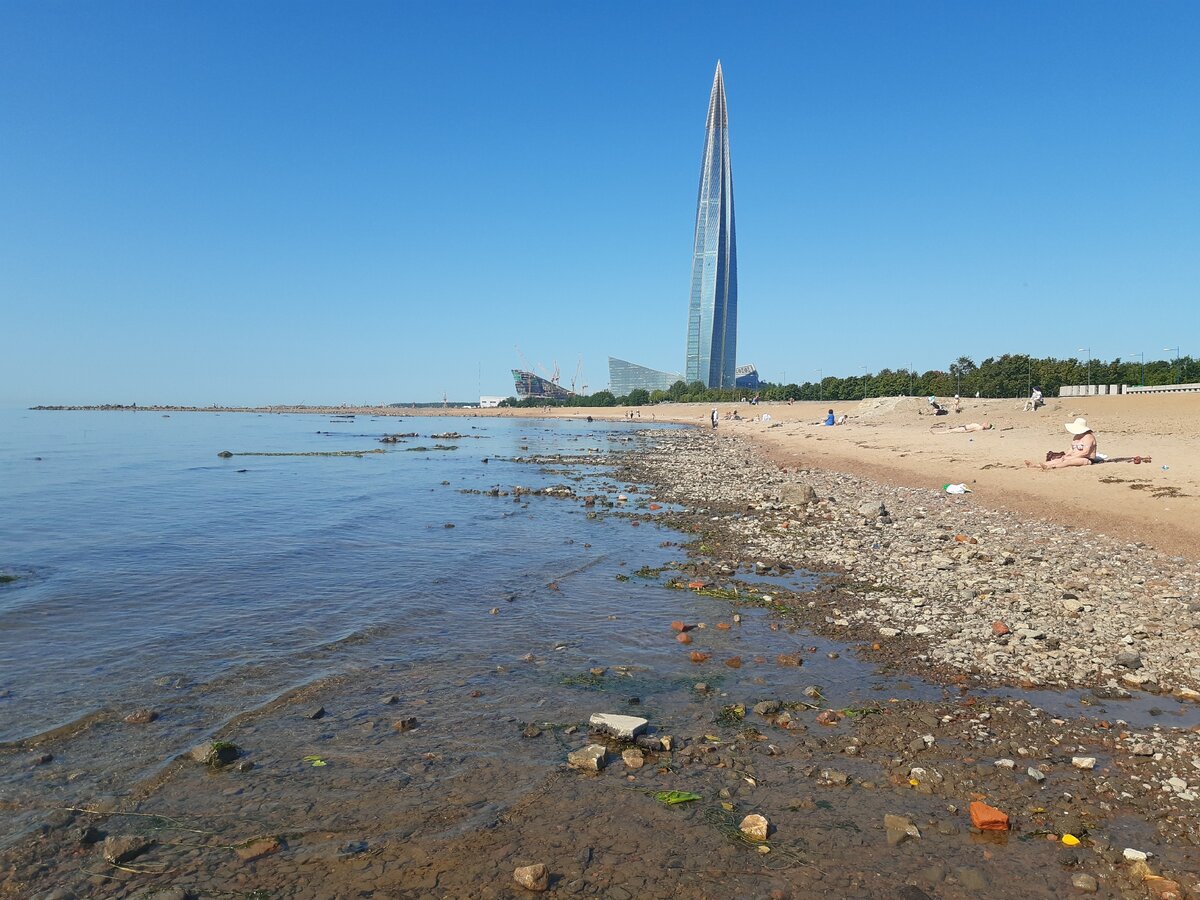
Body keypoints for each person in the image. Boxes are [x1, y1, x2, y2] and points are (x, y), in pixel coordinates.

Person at [1025, 417, 1097, 469]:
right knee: (1058, 460)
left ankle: (1049, 467)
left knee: (1068, 462)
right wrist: (1067, 455)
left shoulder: (1089, 437)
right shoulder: (1076, 437)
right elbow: (1071, 449)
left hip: (1086, 459)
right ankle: (1035, 466)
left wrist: (1071, 457)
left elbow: (1085, 452)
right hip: (1074, 456)